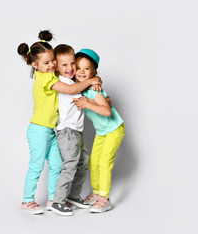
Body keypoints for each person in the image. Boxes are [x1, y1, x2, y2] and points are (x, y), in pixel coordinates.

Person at [17, 32, 102, 214]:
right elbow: (71, 89)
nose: (51, 65)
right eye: (46, 63)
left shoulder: (54, 74)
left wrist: (95, 78)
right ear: (34, 64)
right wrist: (91, 80)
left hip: (52, 130)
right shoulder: (45, 78)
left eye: (52, 61)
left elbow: (70, 70)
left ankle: (54, 199)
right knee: (37, 165)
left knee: (57, 165)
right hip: (39, 129)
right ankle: (27, 200)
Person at [73, 49, 125, 213]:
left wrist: (87, 103)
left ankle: (104, 198)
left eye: (86, 69)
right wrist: (95, 80)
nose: (81, 72)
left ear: (93, 72)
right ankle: (96, 192)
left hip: (114, 129)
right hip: (102, 131)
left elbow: (107, 111)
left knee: (104, 162)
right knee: (94, 161)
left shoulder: (95, 90)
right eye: (79, 68)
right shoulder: (81, 87)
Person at [50, 44, 90, 216]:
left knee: (83, 163)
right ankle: (58, 201)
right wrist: (91, 81)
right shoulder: (61, 83)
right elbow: (74, 90)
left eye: (72, 63)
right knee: (69, 166)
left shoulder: (74, 82)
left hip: (77, 131)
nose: (70, 68)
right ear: (57, 67)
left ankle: (73, 195)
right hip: (67, 131)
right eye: (64, 65)